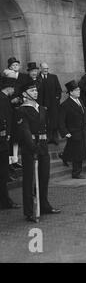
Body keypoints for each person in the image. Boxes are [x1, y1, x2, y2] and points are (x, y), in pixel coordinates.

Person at [16, 80, 61, 222]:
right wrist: (33, 148)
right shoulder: (21, 110)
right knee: (29, 180)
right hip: (30, 148)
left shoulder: (41, 108)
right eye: (32, 91)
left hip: (43, 147)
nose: (35, 92)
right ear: (25, 94)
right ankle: (30, 211)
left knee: (43, 177)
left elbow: (45, 128)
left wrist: (43, 145)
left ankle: (44, 205)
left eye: (36, 90)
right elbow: (25, 131)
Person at [59, 80, 86, 179]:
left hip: (83, 130)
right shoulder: (65, 105)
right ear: (71, 92)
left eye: (79, 89)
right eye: (76, 90)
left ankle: (64, 156)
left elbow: (84, 113)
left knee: (80, 150)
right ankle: (76, 173)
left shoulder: (80, 101)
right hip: (74, 131)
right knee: (78, 152)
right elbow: (61, 121)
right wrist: (65, 132)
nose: (79, 91)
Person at [0, 77, 21, 210]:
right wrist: (6, 135)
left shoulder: (4, 99)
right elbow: (3, 119)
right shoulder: (2, 99)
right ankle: (5, 201)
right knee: (3, 174)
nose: (14, 90)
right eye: (13, 88)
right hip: (2, 142)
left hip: (4, 140)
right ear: (9, 87)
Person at [38, 62, 62, 145]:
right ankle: (47, 138)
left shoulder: (53, 77)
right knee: (44, 121)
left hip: (53, 104)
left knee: (54, 121)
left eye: (47, 68)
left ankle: (55, 138)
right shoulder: (37, 78)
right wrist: (41, 105)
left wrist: (56, 99)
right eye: (44, 68)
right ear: (40, 68)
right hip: (42, 105)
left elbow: (59, 90)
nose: (46, 70)